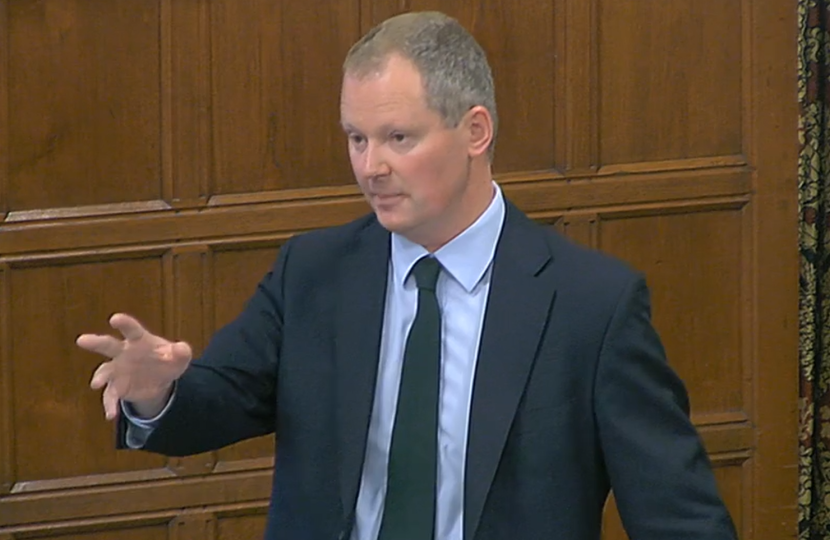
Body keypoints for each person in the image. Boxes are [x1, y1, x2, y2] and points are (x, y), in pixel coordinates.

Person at [76, 11, 738, 540]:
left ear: (475, 130)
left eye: (398, 138)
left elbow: (679, 518)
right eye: (356, 139)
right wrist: (157, 393)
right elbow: (217, 405)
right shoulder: (313, 272)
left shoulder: (592, 305)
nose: (370, 168)